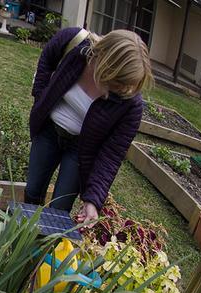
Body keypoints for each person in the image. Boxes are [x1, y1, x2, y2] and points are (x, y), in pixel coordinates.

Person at [26, 28, 153, 223]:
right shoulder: (74, 42)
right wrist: (40, 98)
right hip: (48, 131)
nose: (120, 91)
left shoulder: (131, 104)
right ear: (104, 63)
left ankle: (43, 249)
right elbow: (47, 60)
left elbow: (112, 155)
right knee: (32, 190)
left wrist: (93, 200)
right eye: (117, 83)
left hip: (81, 151)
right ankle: (21, 238)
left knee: (60, 209)